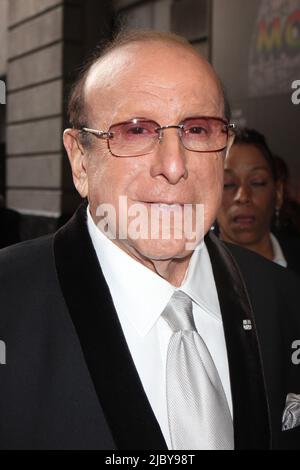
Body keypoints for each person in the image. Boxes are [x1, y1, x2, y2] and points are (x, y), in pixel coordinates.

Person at [0, 31, 300, 451]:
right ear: (80, 160)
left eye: (197, 129)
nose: (175, 166)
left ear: (224, 148)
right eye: (136, 130)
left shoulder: (285, 299)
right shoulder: (8, 304)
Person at [216, 128, 300, 276]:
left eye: (257, 182)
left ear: (278, 193)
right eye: (228, 184)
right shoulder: (193, 275)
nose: (242, 196)